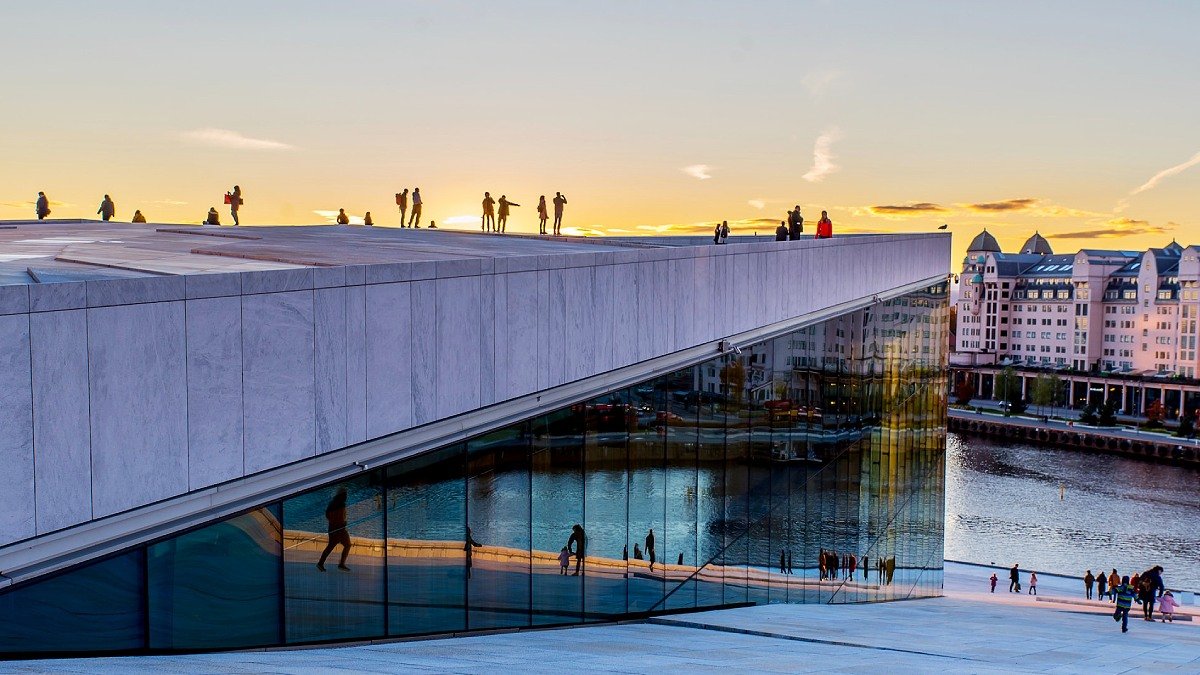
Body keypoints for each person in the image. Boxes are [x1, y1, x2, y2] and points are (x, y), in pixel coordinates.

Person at [316, 488, 351, 572]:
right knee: (347, 545)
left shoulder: (332, 503)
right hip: (339, 529)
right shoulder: (341, 504)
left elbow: (327, 515)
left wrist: (334, 522)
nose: (346, 496)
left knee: (331, 546)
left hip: (333, 528)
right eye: (345, 494)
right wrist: (342, 523)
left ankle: (321, 563)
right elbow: (340, 517)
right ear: (342, 495)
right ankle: (341, 564)